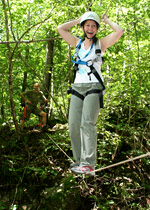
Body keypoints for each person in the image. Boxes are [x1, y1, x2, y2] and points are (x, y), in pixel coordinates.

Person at [57, 11, 124, 176]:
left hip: (94, 86)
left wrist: (107, 21)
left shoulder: (101, 43)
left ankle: (89, 164)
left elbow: (119, 31)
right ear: (83, 27)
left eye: (93, 26)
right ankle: (79, 161)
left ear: (96, 29)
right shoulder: (77, 43)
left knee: (87, 124)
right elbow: (61, 29)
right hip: (77, 87)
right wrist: (78, 20)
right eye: (87, 25)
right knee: (73, 125)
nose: (90, 28)